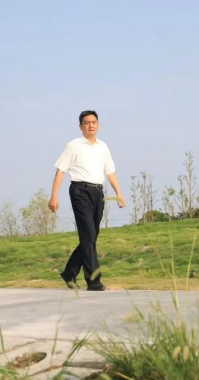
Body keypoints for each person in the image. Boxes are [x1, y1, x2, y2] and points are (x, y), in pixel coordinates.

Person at [48, 110, 125, 291]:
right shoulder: (73, 146)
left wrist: (119, 193)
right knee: (89, 235)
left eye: (93, 122)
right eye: (87, 123)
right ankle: (93, 280)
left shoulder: (103, 146)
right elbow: (60, 171)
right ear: (81, 127)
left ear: (98, 125)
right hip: (80, 191)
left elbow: (110, 172)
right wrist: (54, 196)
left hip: (98, 193)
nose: (91, 125)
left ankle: (69, 272)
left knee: (90, 236)